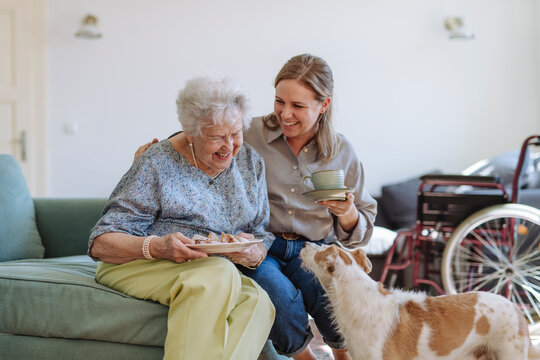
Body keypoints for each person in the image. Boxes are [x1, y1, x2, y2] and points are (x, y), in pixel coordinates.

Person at [136, 54, 377, 360]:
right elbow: (200, 134)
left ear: (323, 105)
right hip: (261, 244)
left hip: (314, 247)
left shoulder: (342, 151)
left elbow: (362, 227)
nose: (285, 114)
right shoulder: (248, 132)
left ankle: (344, 354)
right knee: (278, 295)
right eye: (280, 101)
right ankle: (306, 358)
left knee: (329, 287)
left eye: (298, 106)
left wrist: (347, 214)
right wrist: (154, 154)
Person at [88, 77, 275, 360]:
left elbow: (261, 231)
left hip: (210, 269)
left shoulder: (250, 162)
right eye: (216, 137)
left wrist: (252, 251)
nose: (229, 146)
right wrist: (159, 246)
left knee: (258, 301)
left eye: (235, 133)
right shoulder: (157, 162)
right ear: (191, 133)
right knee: (218, 273)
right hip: (139, 262)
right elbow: (101, 243)